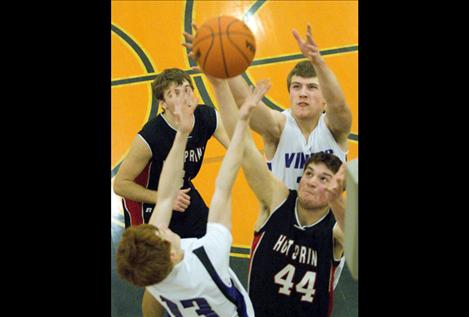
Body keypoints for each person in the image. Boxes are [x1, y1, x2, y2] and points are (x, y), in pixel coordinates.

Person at [184, 23, 352, 289]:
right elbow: (243, 106)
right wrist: (221, 66)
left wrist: (318, 62)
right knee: (264, 292)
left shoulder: (335, 129)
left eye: (311, 87)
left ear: (323, 100)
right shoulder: (277, 127)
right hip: (280, 223)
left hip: (323, 228)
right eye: (296, 87)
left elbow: (340, 106)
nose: (303, 93)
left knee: (316, 297)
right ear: (289, 94)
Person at [116, 82, 270, 317]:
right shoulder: (210, 254)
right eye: (163, 235)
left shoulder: (158, 279)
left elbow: (167, 198)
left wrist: (182, 133)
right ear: (173, 255)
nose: (162, 229)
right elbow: (223, 187)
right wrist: (242, 121)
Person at [205, 77, 347, 317]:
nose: (311, 181)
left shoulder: (334, 230)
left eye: (323, 179)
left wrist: (338, 202)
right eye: (309, 173)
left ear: (335, 189)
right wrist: (219, 85)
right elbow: (244, 148)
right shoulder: (277, 200)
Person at [113, 68, 229, 316]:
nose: (183, 97)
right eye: (174, 93)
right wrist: (164, 198)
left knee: (206, 241)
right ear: (163, 104)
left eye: (187, 89)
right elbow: (120, 184)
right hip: (148, 200)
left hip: (182, 192)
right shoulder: (151, 136)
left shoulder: (207, 118)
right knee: (157, 275)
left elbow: (236, 146)